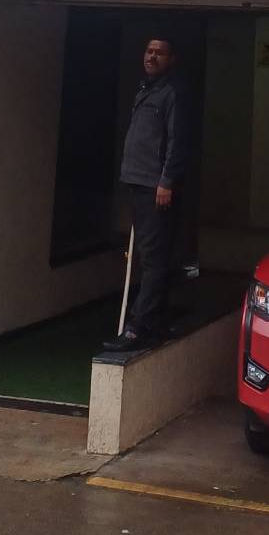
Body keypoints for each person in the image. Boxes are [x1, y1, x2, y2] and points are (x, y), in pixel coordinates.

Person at [105, 38, 192, 350]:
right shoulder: (145, 88)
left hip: (155, 187)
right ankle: (158, 323)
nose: (152, 57)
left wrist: (166, 181)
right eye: (149, 51)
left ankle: (137, 328)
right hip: (137, 182)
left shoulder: (172, 93)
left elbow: (177, 140)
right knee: (150, 255)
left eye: (160, 53)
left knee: (154, 258)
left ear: (172, 59)